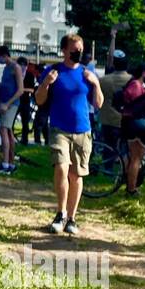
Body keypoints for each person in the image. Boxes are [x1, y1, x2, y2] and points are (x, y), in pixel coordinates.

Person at [34, 34, 103, 235]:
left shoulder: (86, 73)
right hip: (59, 129)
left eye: (80, 50)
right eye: (74, 50)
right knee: (61, 169)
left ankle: (72, 218)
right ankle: (60, 213)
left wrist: (96, 84)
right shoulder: (53, 71)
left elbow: (98, 103)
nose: (78, 53)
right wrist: (46, 83)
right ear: (64, 50)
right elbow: (39, 100)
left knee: (76, 175)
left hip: (83, 130)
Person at [116, 60, 145, 195]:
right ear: (144, 72)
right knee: (136, 158)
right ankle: (131, 189)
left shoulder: (135, 84)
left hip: (130, 123)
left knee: (133, 156)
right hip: (134, 123)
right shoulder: (135, 85)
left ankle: (126, 182)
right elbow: (134, 102)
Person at [0, 45, 25, 175]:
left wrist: (7, 104)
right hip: (4, 103)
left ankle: (5, 164)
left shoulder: (15, 67)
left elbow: (20, 90)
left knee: (3, 130)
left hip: (11, 104)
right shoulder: (6, 68)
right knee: (9, 132)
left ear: (4, 55)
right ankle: (10, 163)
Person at [96, 51, 131, 156]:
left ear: (114, 64)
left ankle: (108, 168)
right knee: (125, 146)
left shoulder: (103, 80)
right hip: (126, 119)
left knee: (108, 145)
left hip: (107, 118)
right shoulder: (133, 81)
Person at [17, 56, 36, 145]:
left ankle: (25, 139)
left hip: (25, 100)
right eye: (20, 65)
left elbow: (31, 89)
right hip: (16, 100)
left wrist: (21, 89)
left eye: (24, 65)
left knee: (25, 121)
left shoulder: (29, 75)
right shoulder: (15, 74)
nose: (22, 67)